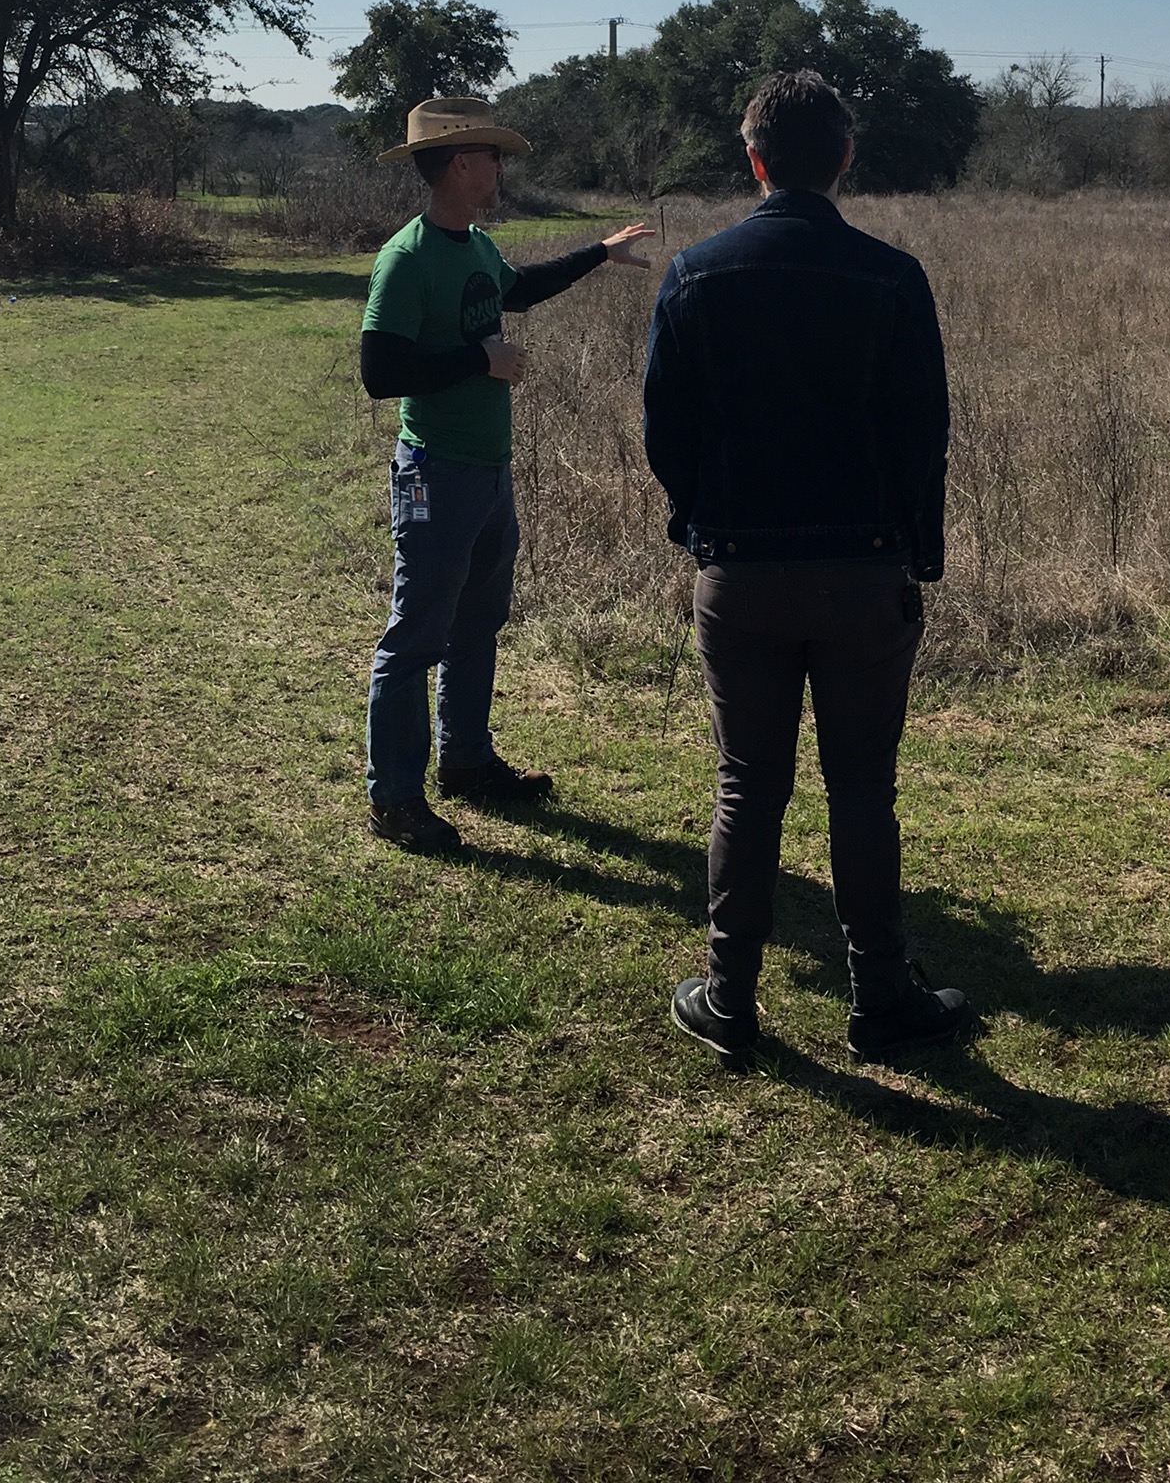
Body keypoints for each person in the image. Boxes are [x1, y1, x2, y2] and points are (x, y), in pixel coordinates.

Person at [643, 71, 977, 1064]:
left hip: (739, 569)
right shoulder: (892, 276)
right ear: (844, 159)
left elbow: (666, 429)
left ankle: (729, 996)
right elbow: (923, 435)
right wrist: (917, 550)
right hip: (864, 569)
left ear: (754, 162)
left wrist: (701, 524)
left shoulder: (694, 274)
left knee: (748, 783)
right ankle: (881, 996)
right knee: (862, 787)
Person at [350, 95, 655, 857]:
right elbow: (379, 373)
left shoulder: (477, 246)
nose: (500, 169)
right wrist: (479, 359)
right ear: (461, 163)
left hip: (489, 473)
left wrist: (599, 253)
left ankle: (465, 760)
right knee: (416, 634)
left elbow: (517, 289)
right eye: (492, 156)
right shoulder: (407, 259)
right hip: (434, 474)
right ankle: (393, 799)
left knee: (477, 624)